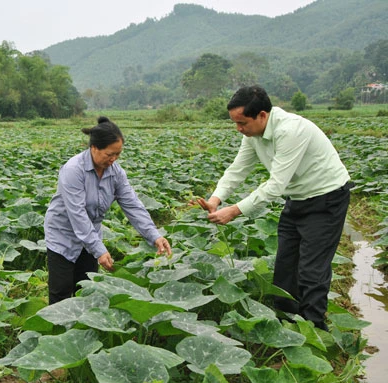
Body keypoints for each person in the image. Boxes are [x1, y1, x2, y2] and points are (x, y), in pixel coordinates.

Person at [194, 85, 351, 331]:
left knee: (312, 270)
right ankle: (286, 325)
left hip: (326, 199)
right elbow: (238, 169)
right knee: (285, 266)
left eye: (242, 122)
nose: (239, 129)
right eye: (235, 123)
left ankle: (315, 330)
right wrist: (216, 199)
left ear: (262, 116)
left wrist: (234, 210)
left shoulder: (290, 131)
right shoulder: (253, 135)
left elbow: (276, 184)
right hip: (297, 200)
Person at [44, 116, 172, 304]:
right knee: (61, 290)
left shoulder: (116, 172)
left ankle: (84, 331)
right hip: (63, 235)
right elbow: (77, 215)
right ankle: (56, 330)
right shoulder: (73, 170)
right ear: (94, 148)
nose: (113, 160)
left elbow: (133, 205)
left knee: (86, 288)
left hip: (91, 235)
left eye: (117, 154)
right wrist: (99, 250)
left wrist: (154, 235)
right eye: (109, 154)